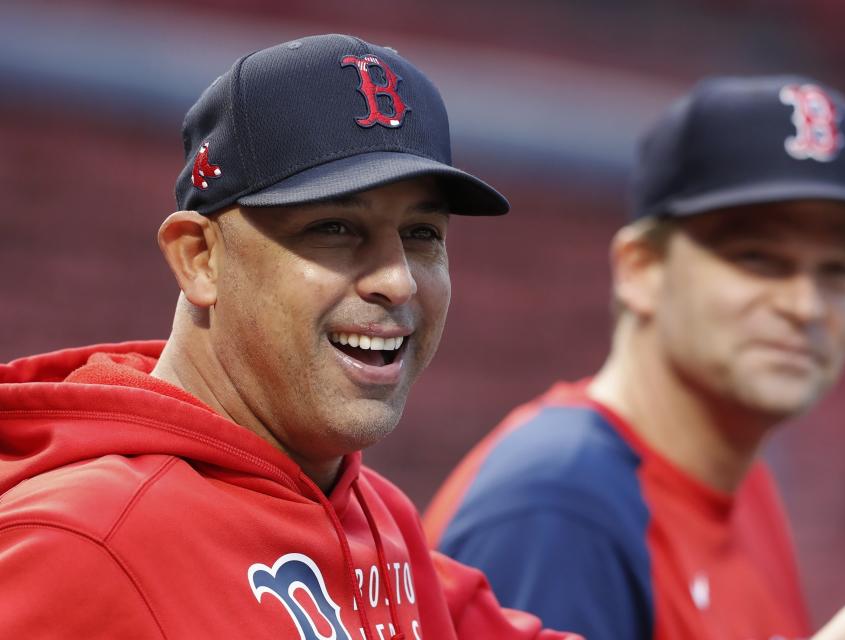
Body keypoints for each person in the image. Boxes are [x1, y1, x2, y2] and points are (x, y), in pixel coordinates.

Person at [0, 34, 581, 640]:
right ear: (199, 258)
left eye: (422, 233)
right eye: (334, 226)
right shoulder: (84, 546)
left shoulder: (372, 516)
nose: (398, 280)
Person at [424, 75, 845, 639]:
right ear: (639, 269)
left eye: (839, 272)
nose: (805, 306)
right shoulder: (559, 504)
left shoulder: (743, 484)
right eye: (758, 259)